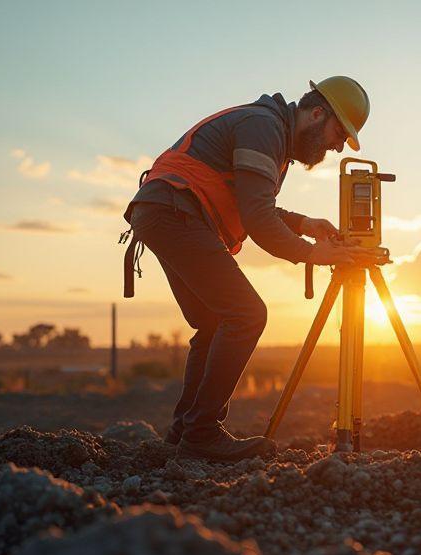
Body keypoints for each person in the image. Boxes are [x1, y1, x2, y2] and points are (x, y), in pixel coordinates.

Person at [121, 76, 371, 462]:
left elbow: (253, 203)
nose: (337, 147)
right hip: (174, 211)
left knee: (213, 320)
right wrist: (314, 255)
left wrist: (304, 224)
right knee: (247, 314)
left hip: (164, 211)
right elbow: (258, 221)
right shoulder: (264, 127)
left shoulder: (273, 134)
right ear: (317, 113)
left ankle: (186, 431)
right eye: (339, 133)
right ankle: (201, 432)